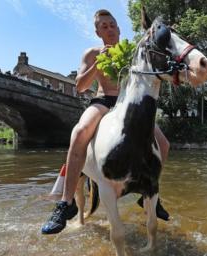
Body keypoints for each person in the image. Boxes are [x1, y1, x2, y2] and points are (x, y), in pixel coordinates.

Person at [41, 9, 170, 234]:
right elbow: (80, 86)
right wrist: (97, 64)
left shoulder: (133, 51)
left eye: (112, 25)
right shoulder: (91, 53)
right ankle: (66, 203)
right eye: (104, 26)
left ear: (119, 28)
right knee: (79, 132)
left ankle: (150, 196)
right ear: (98, 32)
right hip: (103, 101)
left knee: (165, 144)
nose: (109, 29)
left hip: (127, 104)